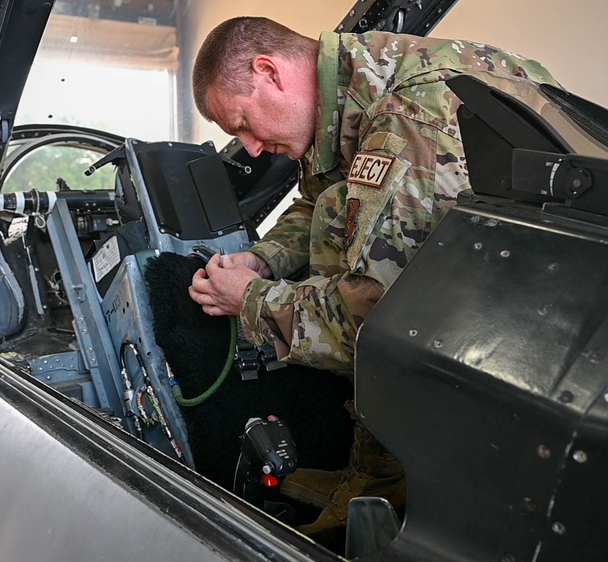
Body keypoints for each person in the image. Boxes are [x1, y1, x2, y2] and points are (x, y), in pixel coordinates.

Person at [188, 16, 559, 534]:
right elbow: (321, 195)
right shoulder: (366, 83)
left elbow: (376, 322)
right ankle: (375, 477)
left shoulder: (407, 120)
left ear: (269, 72)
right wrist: (264, 259)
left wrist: (249, 299)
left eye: (243, 123)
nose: (249, 147)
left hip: (513, 367)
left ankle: (393, 495)